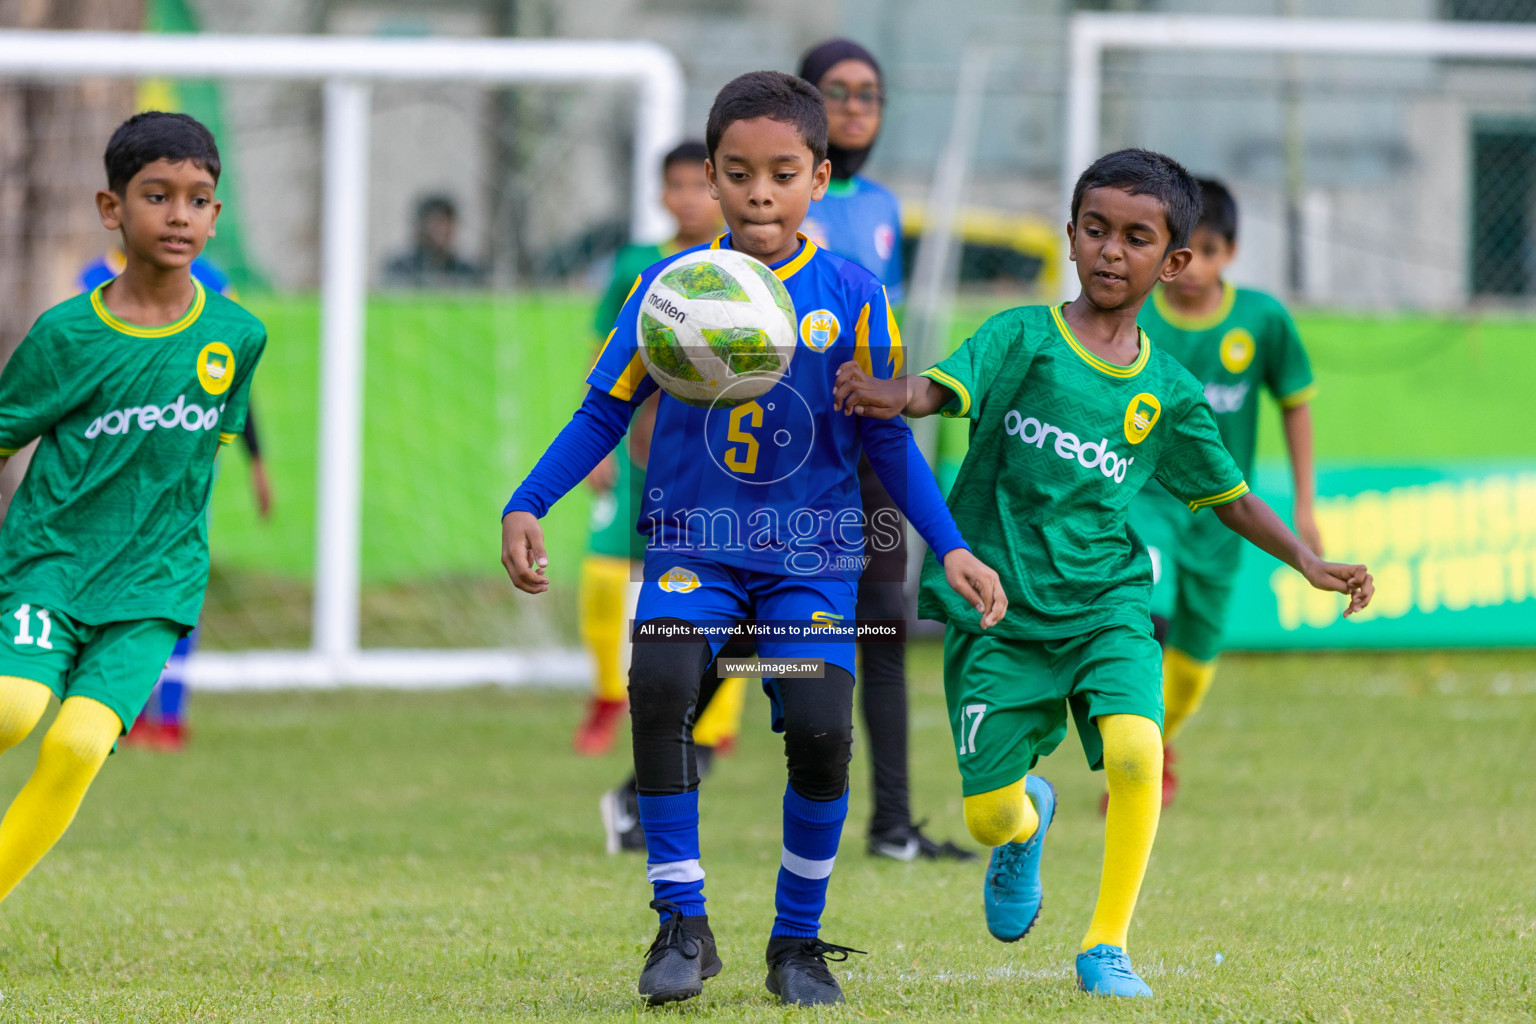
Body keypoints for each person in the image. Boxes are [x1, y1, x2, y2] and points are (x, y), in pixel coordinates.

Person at [500, 71, 1006, 1007]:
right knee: (658, 687)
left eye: (782, 173)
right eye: (737, 173)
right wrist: (528, 501)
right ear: (713, 178)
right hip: (694, 548)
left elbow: (888, 438)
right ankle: (681, 924)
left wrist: (953, 544)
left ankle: (797, 946)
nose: (760, 192)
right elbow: (603, 414)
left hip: (810, 563)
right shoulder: (671, 292)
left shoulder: (855, 294)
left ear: (819, 177)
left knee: (818, 733)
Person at [832, 148, 1372, 997]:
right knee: (986, 815)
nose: (1112, 251)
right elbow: (938, 393)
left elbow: (1227, 496)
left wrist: (1306, 558)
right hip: (998, 612)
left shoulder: (1170, 391)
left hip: (1107, 605)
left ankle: (1106, 945)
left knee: (1135, 748)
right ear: (1072, 237)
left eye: (1136, 236)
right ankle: (1025, 825)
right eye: (1095, 231)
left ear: (1174, 259)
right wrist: (891, 392)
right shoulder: (1020, 338)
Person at [0, 111, 266, 905]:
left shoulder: (237, 336)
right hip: (52, 564)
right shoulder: (65, 336)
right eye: (157, 195)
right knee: (13, 709)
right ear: (111, 208)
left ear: (215, 215)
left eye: (197, 198)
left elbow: (200, 460)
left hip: (152, 587)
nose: (178, 214)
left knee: (80, 742)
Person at [801, 37, 970, 861]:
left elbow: (882, 335)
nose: (857, 105)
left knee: (884, 622)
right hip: (791, 451)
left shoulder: (882, 208)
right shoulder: (785, 198)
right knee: (730, 629)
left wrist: (895, 417)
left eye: (871, 92)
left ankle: (893, 825)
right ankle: (656, 781)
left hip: (868, 441)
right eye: (838, 89)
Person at [1130, 177, 1318, 805]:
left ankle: (1155, 746)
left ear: (1229, 253)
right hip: (1147, 498)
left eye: (1209, 251)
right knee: (1144, 603)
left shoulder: (1262, 320)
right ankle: (1129, 747)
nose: (1193, 267)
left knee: (1198, 654)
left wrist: (1305, 503)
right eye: (1183, 250)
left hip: (1225, 510)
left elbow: (1295, 402)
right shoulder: (1134, 313)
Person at [574, 140, 737, 759]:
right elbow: (602, 357)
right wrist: (596, 445)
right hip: (634, 452)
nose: (688, 198)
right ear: (662, 192)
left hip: (711, 460)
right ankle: (606, 695)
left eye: (699, 187)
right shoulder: (637, 266)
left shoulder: (738, 269)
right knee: (606, 572)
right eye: (677, 186)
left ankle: (716, 724)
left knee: (725, 584)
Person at [77, 249, 274, 751]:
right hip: (115, 472)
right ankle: (130, 712)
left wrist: (256, 461)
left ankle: (171, 716)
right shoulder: (94, 282)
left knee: (178, 587)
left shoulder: (212, 282)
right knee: (122, 587)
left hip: (187, 474)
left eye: (197, 200)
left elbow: (233, 382)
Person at [384, 194, 483, 288]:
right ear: (422, 226)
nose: (443, 230)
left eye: (447, 223)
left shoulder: (466, 271)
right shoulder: (402, 268)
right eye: (437, 223)